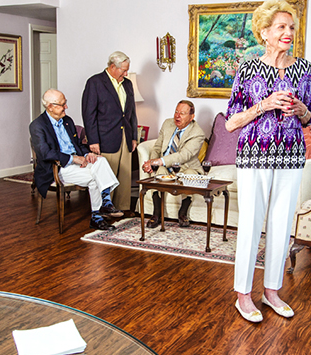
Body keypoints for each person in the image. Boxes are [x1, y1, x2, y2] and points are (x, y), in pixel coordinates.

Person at [225, 0, 311, 323]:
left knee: (281, 224)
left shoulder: (304, 68)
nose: (288, 32)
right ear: (264, 32)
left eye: (291, 27)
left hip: (291, 156)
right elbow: (231, 122)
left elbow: (309, 118)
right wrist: (264, 105)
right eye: (281, 27)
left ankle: (272, 291)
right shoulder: (248, 68)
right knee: (250, 224)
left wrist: (300, 110)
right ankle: (243, 295)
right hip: (254, 157)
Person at [30, 89, 122, 231]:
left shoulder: (67, 121)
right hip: (58, 167)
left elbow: (78, 144)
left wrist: (87, 155)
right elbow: (45, 153)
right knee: (95, 178)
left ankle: (105, 204)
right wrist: (73, 159)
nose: (66, 107)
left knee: (101, 160)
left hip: (78, 163)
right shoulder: (37, 125)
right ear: (50, 106)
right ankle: (98, 214)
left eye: (65, 103)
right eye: (62, 104)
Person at [81, 51, 138, 212]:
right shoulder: (95, 82)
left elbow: (132, 113)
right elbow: (89, 114)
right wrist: (92, 140)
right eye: (123, 70)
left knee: (124, 176)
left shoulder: (127, 84)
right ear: (112, 67)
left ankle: (123, 209)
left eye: (127, 70)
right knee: (108, 175)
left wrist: (133, 137)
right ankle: (104, 210)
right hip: (104, 138)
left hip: (124, 137)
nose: (126, 73)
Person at [141, 100, 205, 228]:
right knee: (158, 172)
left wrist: (159, 161)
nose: (177, 116)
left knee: (190, 175)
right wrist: (152, 163)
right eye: (176, 112)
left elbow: (183, 155)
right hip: (164, 164)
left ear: (191, 117)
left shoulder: (198, 133)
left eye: (182, 113)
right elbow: (157, 147)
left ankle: (182, 213)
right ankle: (156, 214)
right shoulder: (167, 124)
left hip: (186, 166)